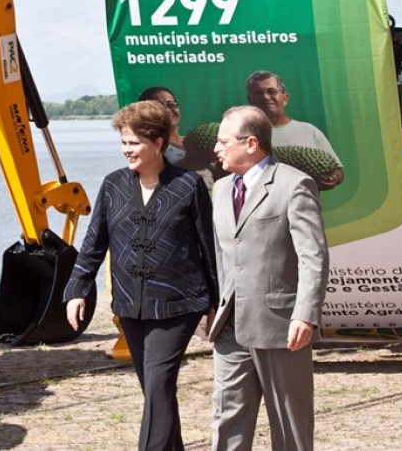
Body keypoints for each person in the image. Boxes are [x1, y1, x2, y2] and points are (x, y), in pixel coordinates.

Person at [64, 100, 218, 451]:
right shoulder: (113, 185)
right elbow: (93, 244)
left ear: (159, 143)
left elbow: (209, 247)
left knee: (160, 382)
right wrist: (77, 289)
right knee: (154, 390)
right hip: (130, 306)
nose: (126, 150)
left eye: (134, 142)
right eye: (123, 142)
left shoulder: (188, 185)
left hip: (179, 304)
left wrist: (216, 303)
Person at [208, 105, 329, 451]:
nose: (216, 148)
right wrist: (217, 307)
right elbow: (223, 256)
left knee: (290, 425)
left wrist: (305, 314)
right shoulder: (220, 190)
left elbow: (313, 256)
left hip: (280, 328)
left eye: (223, 141)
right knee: (226, 422)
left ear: (250, 143)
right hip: (231, 327)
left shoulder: (294, 185)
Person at [246, 70, 344, 190]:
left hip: (305, 205)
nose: (265, 97)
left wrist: (334, 178)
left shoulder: (308, 130)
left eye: (272, 91)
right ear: (250, 100)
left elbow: (337, 170)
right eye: (258, 93)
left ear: (285, 98)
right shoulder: (242, 135)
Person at [138, 86, 185, 164]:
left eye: (171, 104)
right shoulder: (154, 149)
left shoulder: (194, 141)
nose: (167, 111)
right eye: (159, 107)